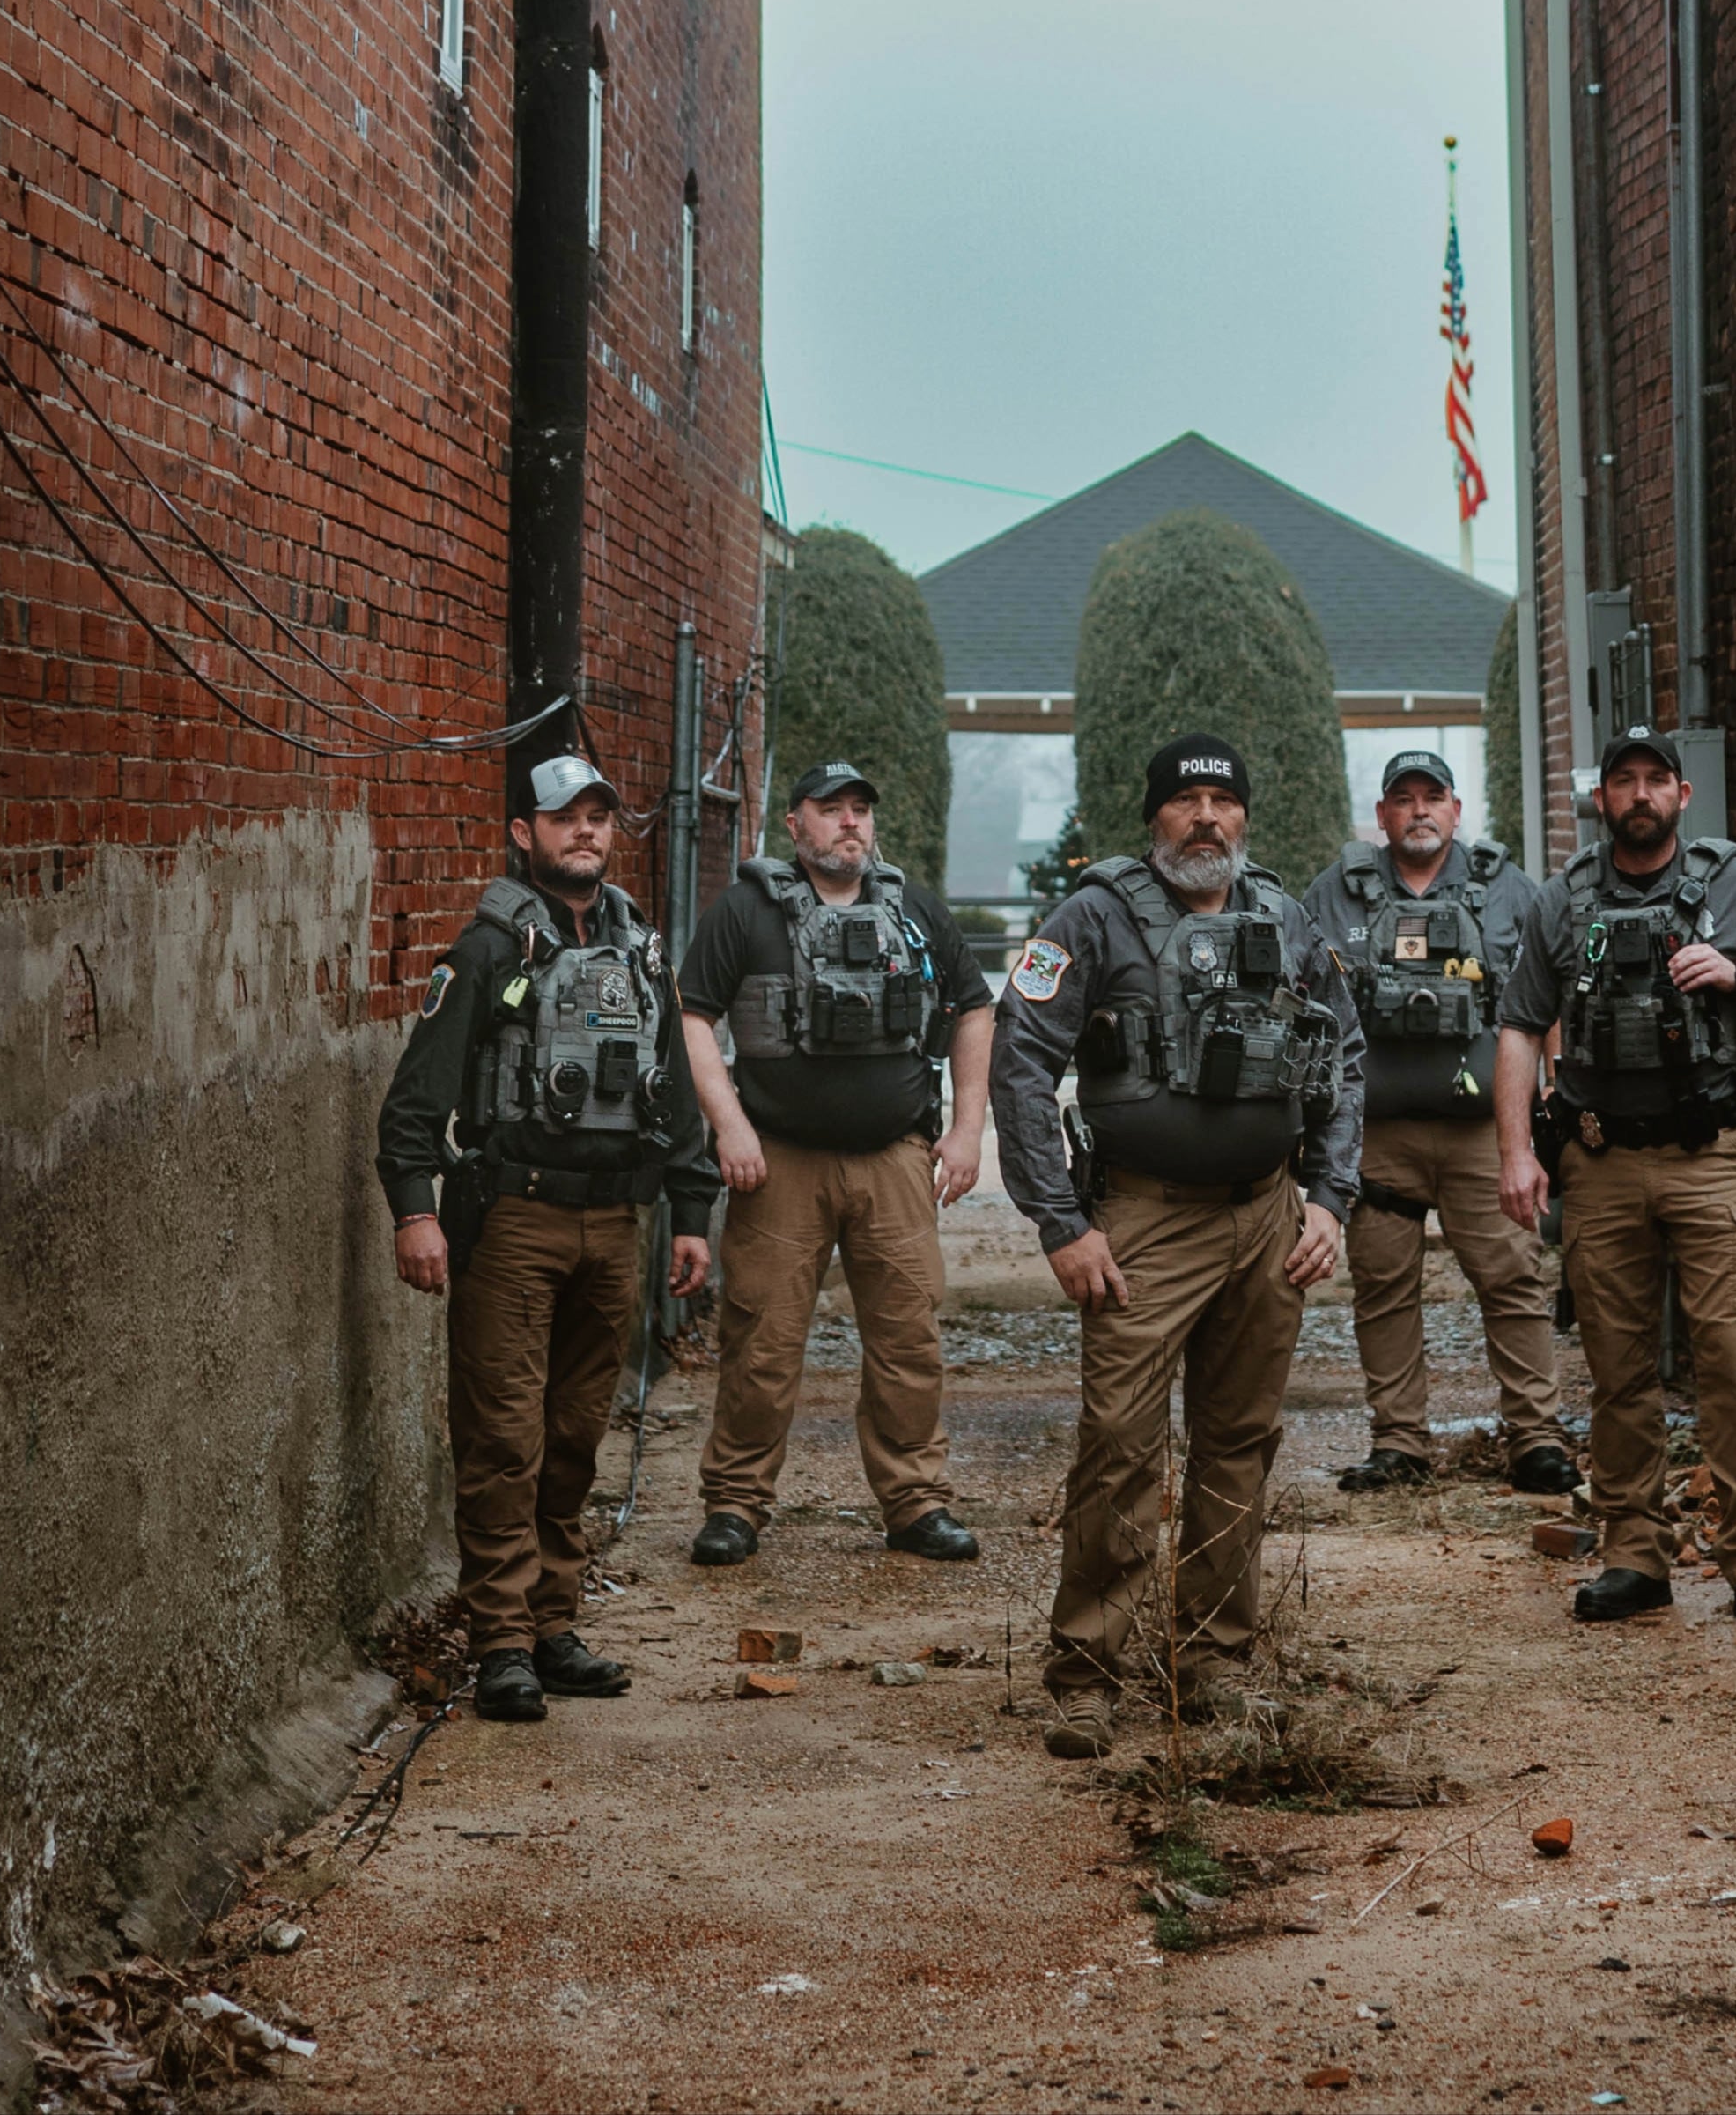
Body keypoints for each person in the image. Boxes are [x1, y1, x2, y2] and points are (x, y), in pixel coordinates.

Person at [991, 736, 1365, 1758]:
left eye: (1223, 801)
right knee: (1120, 1442)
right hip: (1143, 1220)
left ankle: (1214, 1660)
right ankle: (1086, 1675)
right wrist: (1060, 1223)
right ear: (1152, 814)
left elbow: (1341, 1051)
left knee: (1238, 1442)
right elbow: (1019, 1060)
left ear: (1244, 817)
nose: (1206, 817)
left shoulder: (1284, 917)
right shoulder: (1093, 916)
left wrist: (1328, 1196)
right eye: (1186, 800)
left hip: (1266, 1217)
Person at [378, 753, 719, 1723]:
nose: (587, 832)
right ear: (523, 833)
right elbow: (415, 1102)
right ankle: (500, 1645)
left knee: (575, 1433)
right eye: (565, 817)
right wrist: (415, 1209)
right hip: (514, 1218)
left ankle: (554, 1621)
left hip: (618, 1222)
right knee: (505, 1438)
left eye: (600, 817)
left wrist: (691, 1213)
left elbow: (675, 1090)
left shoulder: (644, 953)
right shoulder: (488, 952)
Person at [1493, 728, 1736, 1632]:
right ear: (1599, 799)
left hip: (1712, 1151)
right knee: (1618, 1367)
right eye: (1621, 782)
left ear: (1682, 795)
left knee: (1734, 1356)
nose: (1638, 794)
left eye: (1654, 780)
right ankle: (1635, 1554)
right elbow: (1520, 1027)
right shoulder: (1560, 902)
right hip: (1598, 1159)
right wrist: (1517, 1152)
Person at [673, 759, 994, 1567]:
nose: (848, 822)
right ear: (795, 825)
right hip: (780, 1162)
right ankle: (736, 1503)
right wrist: (730, 1126)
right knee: (761, 1338)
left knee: (907, 1337)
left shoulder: (913, 910)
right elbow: (690, 1018)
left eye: (860, 808)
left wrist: (964, 1131)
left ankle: (916, 1501)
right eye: (830, 810)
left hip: (894, 1158)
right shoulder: (746, 911)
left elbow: (974, 1008)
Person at [1300, 751, 1570, 1496]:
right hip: (1376, 1132)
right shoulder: (1338, 892)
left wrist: (1555, 1097)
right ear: (1382, 815)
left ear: (1455, 810)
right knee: (1383, 1288)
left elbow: (1547, 995)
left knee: (1510, 1277)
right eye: (1402, 799)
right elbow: (1300, 996)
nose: (1418, 810)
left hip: (1483, 1129)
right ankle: (1399, 1444)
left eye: (1432, 797)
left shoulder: (1506, 890)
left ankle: (1536, 1438)